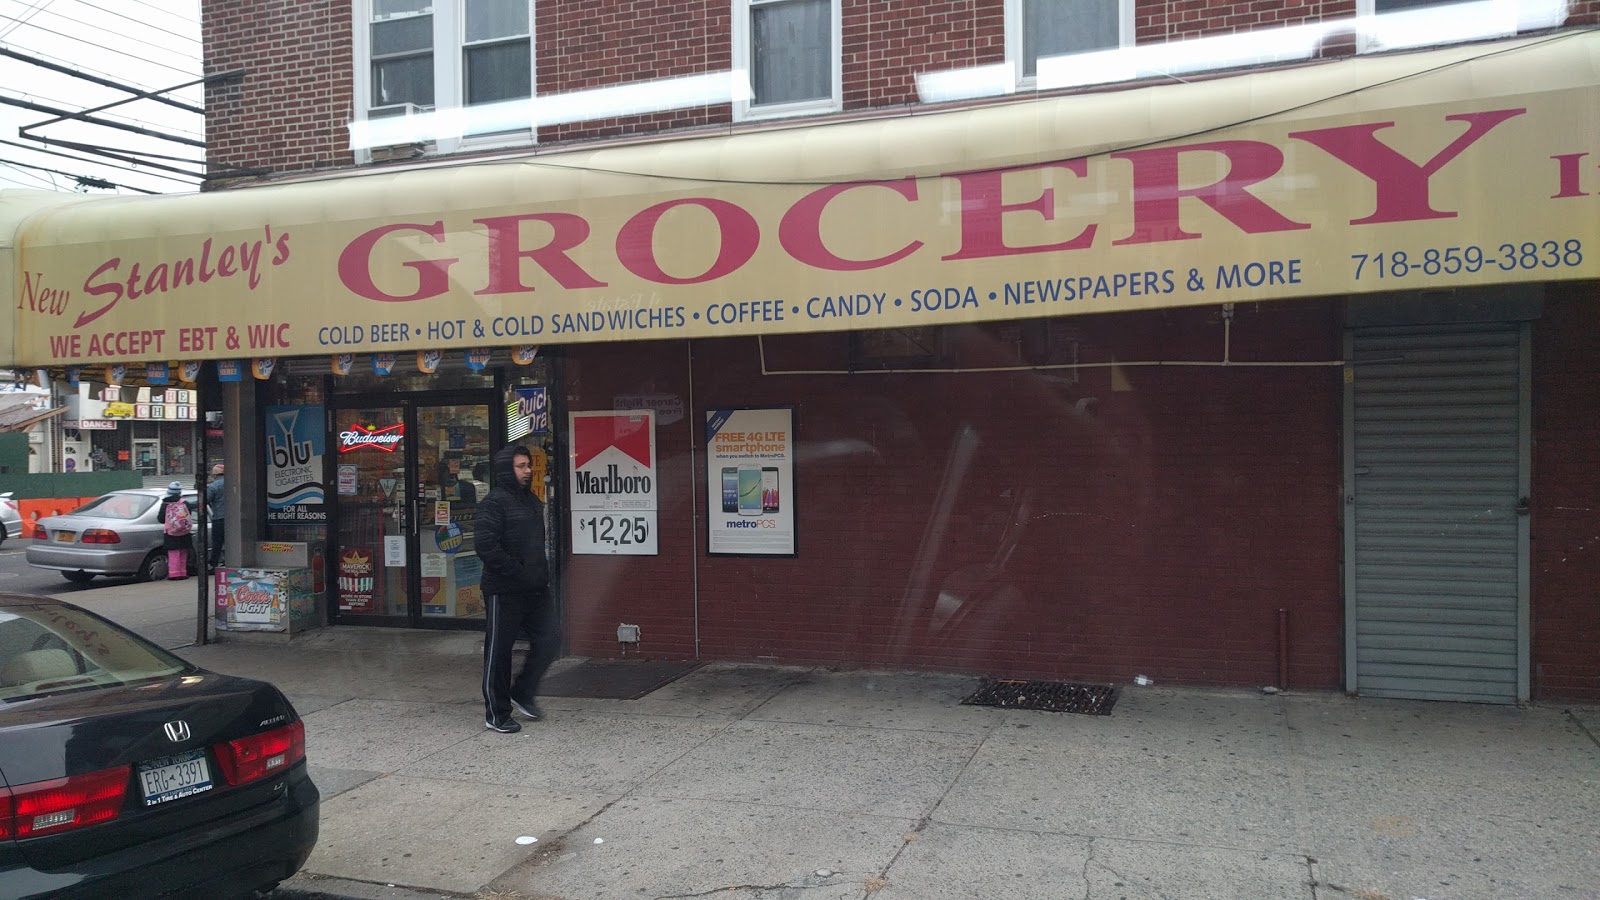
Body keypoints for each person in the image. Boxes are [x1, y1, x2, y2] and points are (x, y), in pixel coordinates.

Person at [475, 444, 556, 734]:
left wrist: (540, 574)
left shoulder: (530, 500)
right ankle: (496, 713)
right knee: (499, 651)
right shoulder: (493, 503)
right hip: (504, 589)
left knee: (551, 639)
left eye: (527, 465)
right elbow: (485, 546)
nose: (527, 470)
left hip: (535, 588)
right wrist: (518, 572)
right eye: (521, 466)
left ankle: (522, 691)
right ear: (506, 470)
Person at [156, 481, 192, 581]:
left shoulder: (165, 503)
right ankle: (182, 573)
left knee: (173, 553)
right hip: (184, 532)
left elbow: (160, 519)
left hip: (171, 533)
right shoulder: (185, 503)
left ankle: (174, 574)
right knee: (183, 552)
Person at [205, 463, 226, 570]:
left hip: (218, 518)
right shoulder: (233, 483)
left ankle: (213, 564)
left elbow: (205, 500)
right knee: (230, 541)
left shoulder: (213, 486)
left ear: (214, 474)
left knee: (217, 542)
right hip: (232, 518)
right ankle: (228, 560)